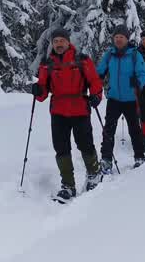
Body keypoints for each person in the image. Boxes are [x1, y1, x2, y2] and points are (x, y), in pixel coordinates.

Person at [32, 29, 103, 202]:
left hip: (80, 108)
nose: (58, 44)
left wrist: (96, 96)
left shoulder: (82, 60)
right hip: (58, 112)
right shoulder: (47, 64)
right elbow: (42, 94)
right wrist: (37, 90)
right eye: (55, 41)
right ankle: (68, 185)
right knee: (61, 148)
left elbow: (95, 81)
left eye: (61, 40)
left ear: (68, 42)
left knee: (85, 143)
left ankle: (94, 173)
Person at [96, 25, 145, 172]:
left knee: (134, 129)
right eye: (116, 37)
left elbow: (143, 74)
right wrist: (94, 81)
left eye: (122, 37)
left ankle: (139, 156)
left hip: (131, 99)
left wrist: (138, 82)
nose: (118, 39)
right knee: (108, 130)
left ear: (127, 39)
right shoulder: (110, 54)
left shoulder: (134, 55)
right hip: (113, 98)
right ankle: (106, 159)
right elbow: (100, 71)